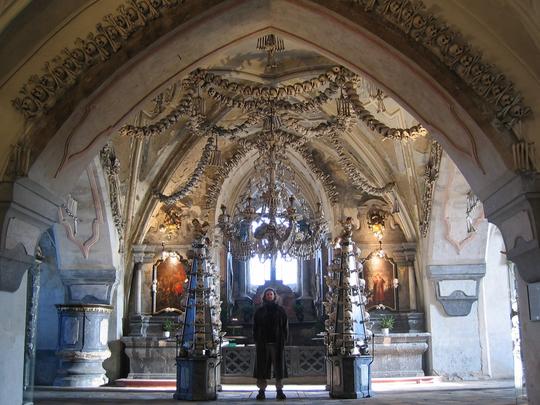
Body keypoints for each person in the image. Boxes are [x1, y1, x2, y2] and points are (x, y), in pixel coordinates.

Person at [253, 287, 289, 400]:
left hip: (277, 343)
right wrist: (257, 340)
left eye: (271, 294)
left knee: (278, 367)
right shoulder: (259, 311)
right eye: (267, 294)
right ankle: (261, 391)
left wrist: (284, 339)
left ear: (274, 296)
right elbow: (255, 327)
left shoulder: (280, 310)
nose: (269, 296)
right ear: (265, 296)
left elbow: (285, 327)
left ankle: (279, 390)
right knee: (262, 367)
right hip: (263, 343)